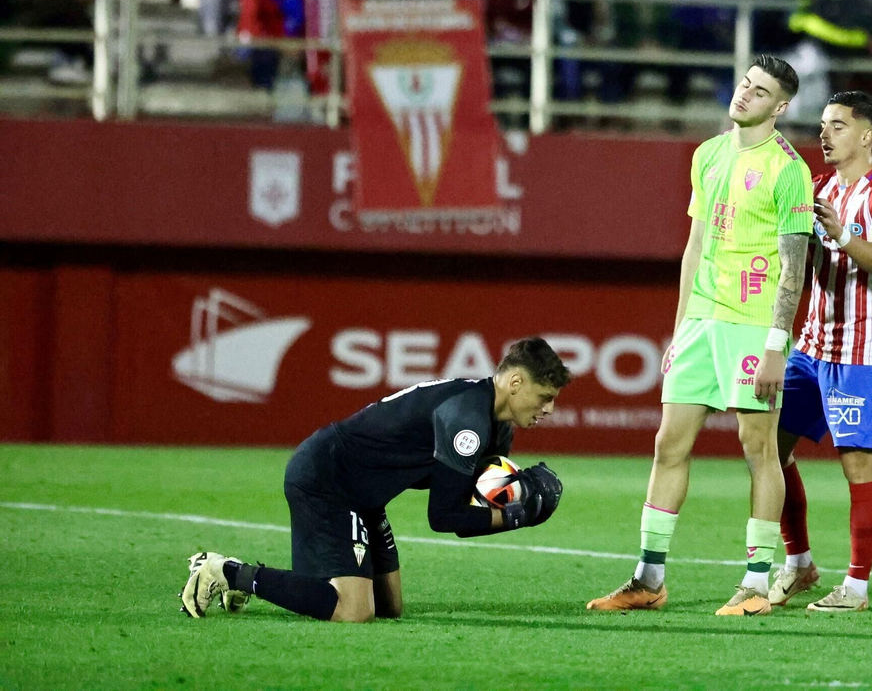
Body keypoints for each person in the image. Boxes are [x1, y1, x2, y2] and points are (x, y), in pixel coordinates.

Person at [588, 55, 813, 617]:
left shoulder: (790, 170)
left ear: (779, 107)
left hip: (751, 326)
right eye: (744, 84)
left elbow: (793, 269)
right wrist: (680, 326)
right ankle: (648, 578)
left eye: (759, 92)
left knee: (758, 449)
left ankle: (758, 582)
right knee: (669, 444)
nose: (744, 95)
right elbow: (694, 246)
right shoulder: (707, 154)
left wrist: (773, 347)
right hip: (701, 324)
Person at [180, 338, 571, 621]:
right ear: (515, 383)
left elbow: (468, 506)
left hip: (366, 495)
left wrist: (514, 494)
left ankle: (251, 579)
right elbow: (445, 517)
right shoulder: (466, 419)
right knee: (353, 610)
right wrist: (521, 515)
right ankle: (226, 571)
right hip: (328, 478)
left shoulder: (495, 426)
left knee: (388, 608)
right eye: (544, 396)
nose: (549, 409)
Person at [769, 91, 872, 614]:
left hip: (859, 350)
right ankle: (800, 563)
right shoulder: (818, 187)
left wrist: (840, 236)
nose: (824, 134)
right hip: (811, 346)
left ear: (866, 134)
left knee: (856, 467)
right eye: (823, 125)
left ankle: (855, 587)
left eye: (838, 126)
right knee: (770, 451)